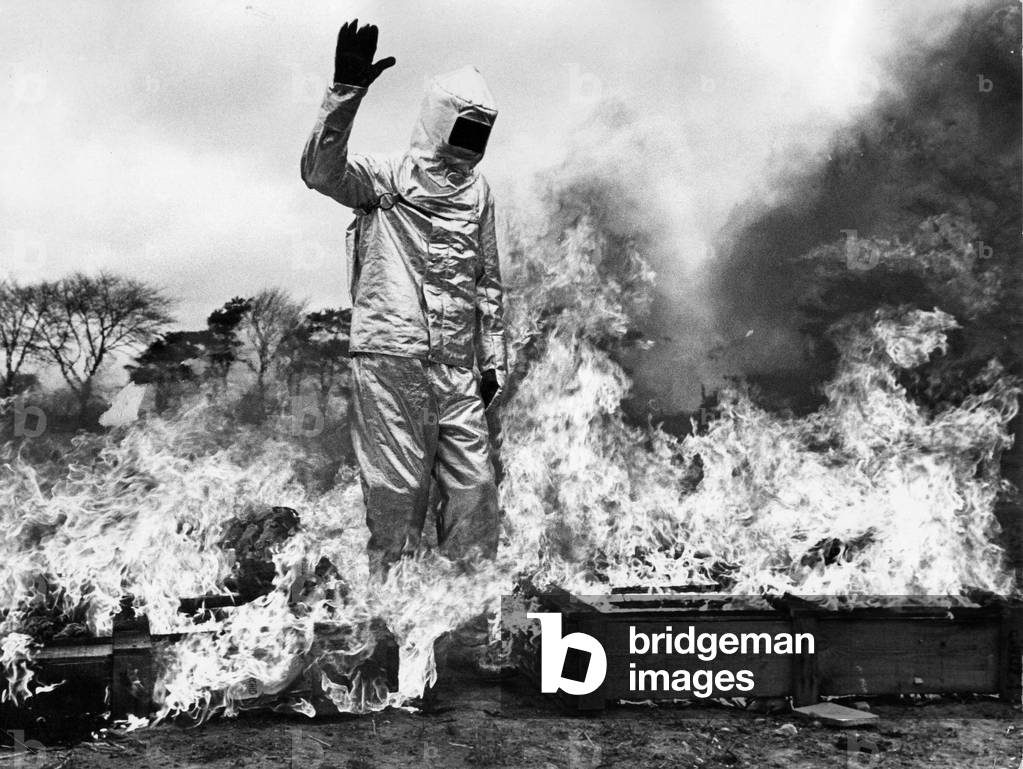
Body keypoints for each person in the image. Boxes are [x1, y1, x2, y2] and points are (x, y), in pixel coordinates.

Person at [301, 20, 506, 580]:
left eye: (480, 130)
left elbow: (486, 279)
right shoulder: (384, 175)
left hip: (456, 368)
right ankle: (388, 616)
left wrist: (493, 361)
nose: (470, 139)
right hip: (391, 359)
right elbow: (321, 172)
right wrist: (345, 90)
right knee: (398, 495)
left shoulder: (478, 192)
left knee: (476, 490)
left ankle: (465, 614)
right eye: (464, 125)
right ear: (440, 119)